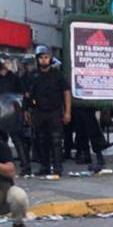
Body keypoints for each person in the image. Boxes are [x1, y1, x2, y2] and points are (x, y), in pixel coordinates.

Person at [26, 45, 71, 177]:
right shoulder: (33, 75)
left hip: (55, 111)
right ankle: (44, 166)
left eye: (46, 57)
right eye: (41, 58)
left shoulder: (58, 75)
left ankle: (57, 168)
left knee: (56, 140)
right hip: (39, 112)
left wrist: (67, 111)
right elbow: (28, 94)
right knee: (41, 140)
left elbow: (66, 93)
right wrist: (27, 110)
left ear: (50, 59)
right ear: (37, 59)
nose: (44, 60)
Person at [0, 137, 31, 227]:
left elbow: (10, 171)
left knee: (19, 196)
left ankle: (18, 225)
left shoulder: (2, 146)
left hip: (3, 191)